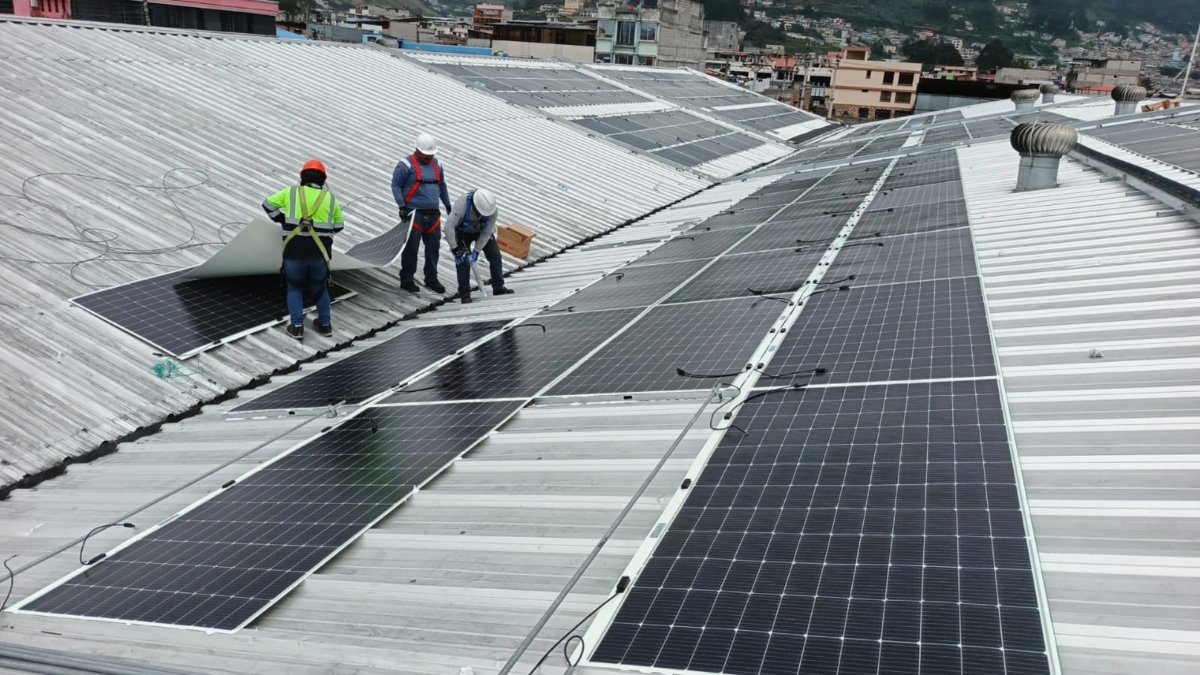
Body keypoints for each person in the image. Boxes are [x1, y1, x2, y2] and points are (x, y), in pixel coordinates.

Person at [262, 159, 344, 340]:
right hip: (319, 254)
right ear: (323, 180)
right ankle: (325, 325)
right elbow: (338, 226)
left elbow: (267, 205)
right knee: (320, 287)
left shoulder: (290, 193)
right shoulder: (331, 199)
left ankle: (297, 327)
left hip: (294, 252)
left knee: (295, 287)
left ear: (302, 177)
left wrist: (282, 220)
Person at [391, 133, 452, 295]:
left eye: (431, 155)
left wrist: (447, 205)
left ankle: (431, 278)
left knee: (433, 248)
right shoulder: (405, 165)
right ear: (417, 150)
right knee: (411, 247)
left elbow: (442, 186)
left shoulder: (437, 165)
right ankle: (407, 279)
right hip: (413, 214)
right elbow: (396, 185)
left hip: (433, 215)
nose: (428, 158)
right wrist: (401, 205)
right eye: (425, 155)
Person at [444, 188, 514, 303]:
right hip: (462, 232)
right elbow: (449, 226)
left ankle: (498, 287)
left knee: (495, 256)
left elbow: (486, 233)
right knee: (462, 261)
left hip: (480, 231)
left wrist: (476, 251)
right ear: (475, 205)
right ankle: (465, 293)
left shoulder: (492, 211)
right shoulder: (462, 204)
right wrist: (455, 247)